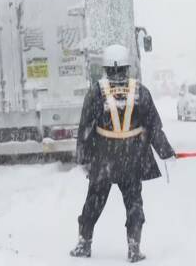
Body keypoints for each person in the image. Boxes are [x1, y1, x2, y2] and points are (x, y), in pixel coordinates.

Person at [69, 44, 176, 263]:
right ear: (127, 67)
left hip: (104, 161)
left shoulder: (96, 93)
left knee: (93, 202)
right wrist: (166, 152)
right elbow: (154, 127)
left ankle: (84, 244)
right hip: (132, 160)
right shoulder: (140, 91)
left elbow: (86, 129)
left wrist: (83, 158)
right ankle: (134, 247)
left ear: (106, 68)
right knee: (134, 202)